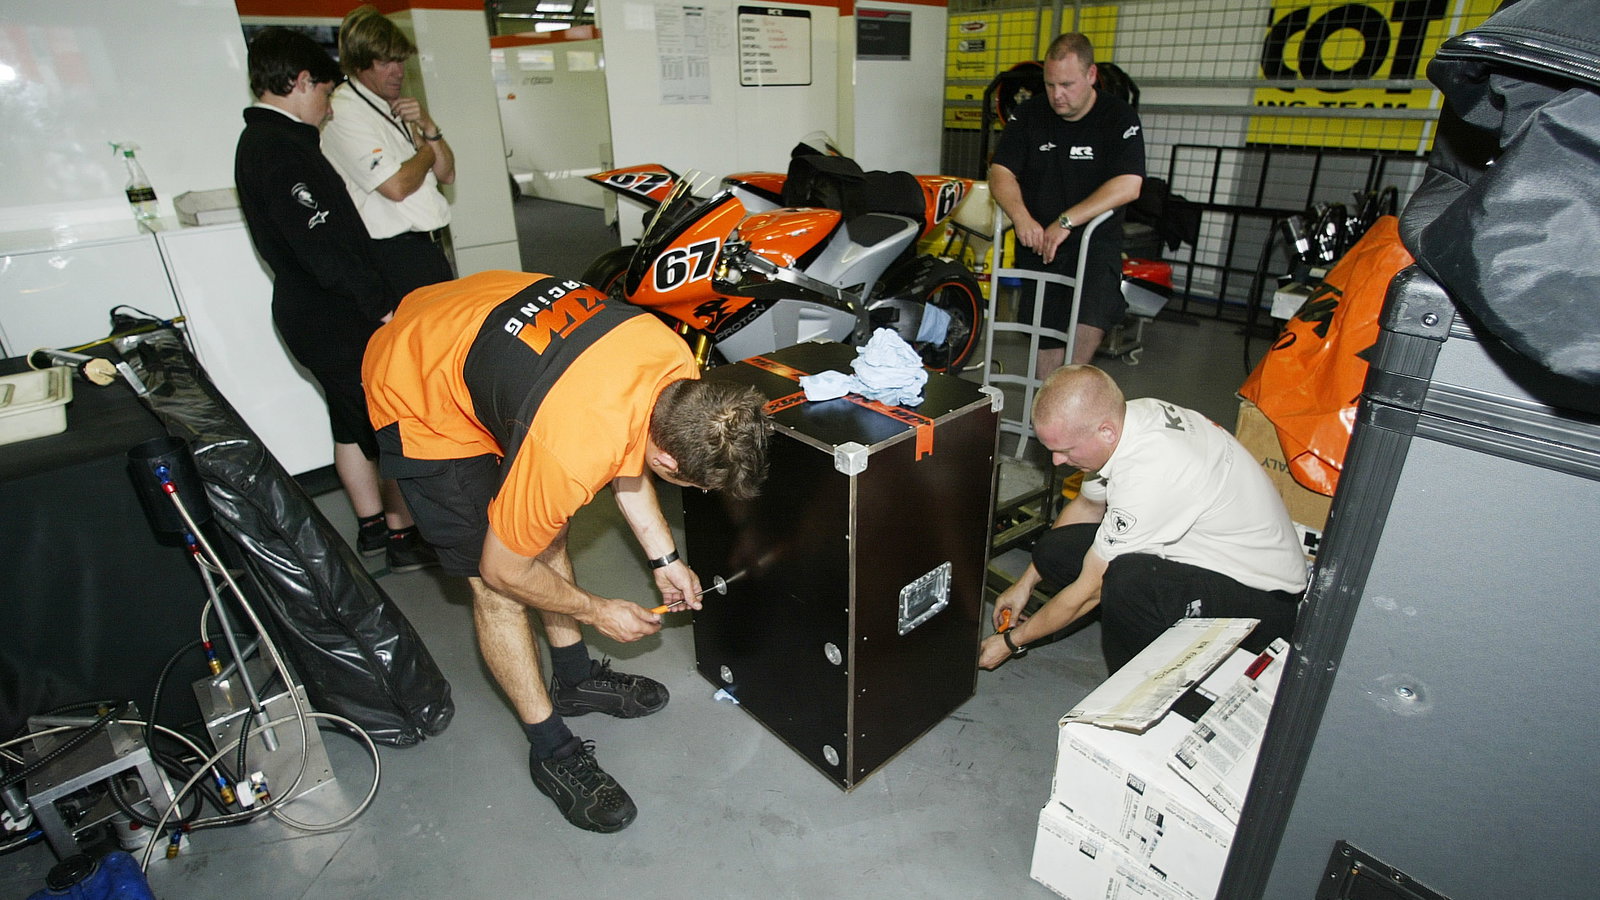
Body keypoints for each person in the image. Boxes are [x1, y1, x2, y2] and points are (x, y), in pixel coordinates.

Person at [362, 269, 770, 833]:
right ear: (670, 462)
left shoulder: (677, 367)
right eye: (694, 485)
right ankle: (551, 748)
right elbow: (503, 569)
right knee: (496, 583)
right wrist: (597, 610)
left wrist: (666, 559)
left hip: (477, 326)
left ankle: (574, 680)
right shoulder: (571, 448)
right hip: (418, 385)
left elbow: (632, 453)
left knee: (543, 529)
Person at [234, 27, 433, 572]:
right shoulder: (279, 151)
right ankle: (404, 535)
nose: (328, 106)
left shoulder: (268, 143)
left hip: (314, 312)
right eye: (325, 91)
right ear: (301, 82)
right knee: (387, 424)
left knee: (349, 422)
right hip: (335, 316)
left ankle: (372, 527)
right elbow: (325, 249)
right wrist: (382, 307)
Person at [979, 366, 1308, 673]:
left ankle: (1134, 691)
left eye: (1066, 450)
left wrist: (1011, 642)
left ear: (1105, 432)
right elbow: (1087, 507)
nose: (1057, 461)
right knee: (1053, 549)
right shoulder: (1126, 422)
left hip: (1262, 599)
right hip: (1202, 553)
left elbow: (1090, 589)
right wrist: (1024, 585)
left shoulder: (1150, 471)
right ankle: (1139, 622)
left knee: (1126, 583)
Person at [988, 33, 1145, 374]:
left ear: (1091, 75)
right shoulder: (1029, 115)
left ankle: (1067, 390)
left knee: (1091, 315)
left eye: (1067, 85)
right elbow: (1000, 173)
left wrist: (1066, 221)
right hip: (1039, 242)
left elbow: (1129, 184)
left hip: (1093, 242)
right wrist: (1021, 217)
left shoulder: (1118, 117)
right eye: (1050, 84)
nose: (1057, 95)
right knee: (1046, 336)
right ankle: (1049, 398)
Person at [320, 5, 455, 298]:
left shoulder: (394, 103)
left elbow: (447, 174)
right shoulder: (344, 112)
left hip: (429, 246)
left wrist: (428, 125)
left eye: (400, 61)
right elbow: (397, 186)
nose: (398, 72)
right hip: (393, 255)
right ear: (360, 64)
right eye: (385, 63)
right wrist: (426, 153)